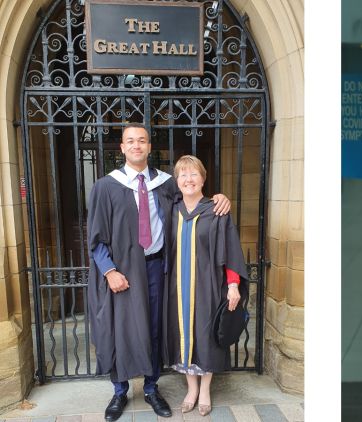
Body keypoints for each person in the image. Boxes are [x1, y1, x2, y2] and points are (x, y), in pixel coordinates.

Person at [87, 123, 231, 421]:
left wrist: (220, 198)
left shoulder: (166, 184)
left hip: (157, 269)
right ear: (123, 148)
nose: (136, 145)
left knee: (153, 328)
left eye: (142, 140)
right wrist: (109, 271)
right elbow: (96, 238)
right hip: (123, 271)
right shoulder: (105, 186)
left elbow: (193, 205)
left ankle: (152, 389)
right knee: (120, 329)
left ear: (150, 147)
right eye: (130, 141)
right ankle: (119, 391)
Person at [162, 155, 249, 416]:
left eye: (194, 174)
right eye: (183, 175)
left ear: (203, 178)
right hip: (177, 287)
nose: (189, 180)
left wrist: (233, 285)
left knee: (206, 335)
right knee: (183, 334)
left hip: (209, 285)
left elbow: (231, 250)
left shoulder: (217, 210)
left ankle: (206, 389)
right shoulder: (170, 210)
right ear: (176, 181)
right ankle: (191, 388)